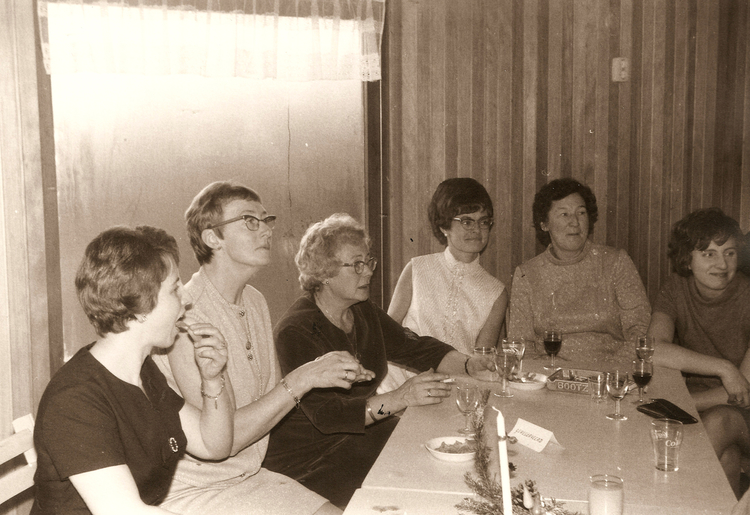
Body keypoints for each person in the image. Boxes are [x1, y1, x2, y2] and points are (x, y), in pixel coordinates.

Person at [153, 182, 361, 515]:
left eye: (267, 220)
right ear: (212, 238)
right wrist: (305, 378)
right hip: (193, 491)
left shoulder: (255, 301)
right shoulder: (184, 314)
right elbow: (225, 441)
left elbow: (270, 405)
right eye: (250, 220)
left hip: (248, 476)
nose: (266, 231)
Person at [263, 213, 497, 508]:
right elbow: (330, 417)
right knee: (411, 492)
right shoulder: (297, 330)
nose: (368, 272)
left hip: (357, 439)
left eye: (368, 262)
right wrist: (400, 397)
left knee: (444, 464)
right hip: (311, 460)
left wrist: (469, 364)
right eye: (356, 264)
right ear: (324, 271)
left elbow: (415, 348)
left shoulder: (362, 310)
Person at [32, 226, 233, 514]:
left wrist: (212, 380)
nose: (186, 300)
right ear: (139, 306)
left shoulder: (142, 372)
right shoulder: (75, 401)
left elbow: (214, 446)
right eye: (175, 289)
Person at [649, 207, 750, 498]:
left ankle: (661, 500)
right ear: (687, 260)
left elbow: (744, 391)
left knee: (718, 422)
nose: (722, 263)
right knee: (726, 457)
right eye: (709, 254)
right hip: (706, 409)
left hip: (741, 415)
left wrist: (682, 405)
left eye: (730, 253)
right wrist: (723, 368)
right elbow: (653, 349)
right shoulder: (675, 288)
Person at [380, 178, 507, 392]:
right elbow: (387, 333)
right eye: (467, 221)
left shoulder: (496, 292)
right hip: (400, 385)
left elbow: (481, 359)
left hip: (454, 390)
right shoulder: (417, 269)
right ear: (444, 225)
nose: (477, 229)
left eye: (484, 221)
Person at [508, 177, 650, 366]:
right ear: (544, 224)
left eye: (581, 213)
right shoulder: (527, 274)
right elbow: (521, 344)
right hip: (551, 377)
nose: (575, 222)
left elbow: (640, 328)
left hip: (610, 374)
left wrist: (612, 369)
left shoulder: (615, 261)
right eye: (564, 214)